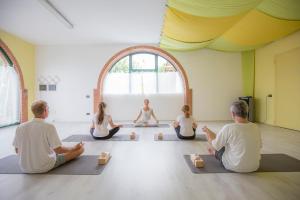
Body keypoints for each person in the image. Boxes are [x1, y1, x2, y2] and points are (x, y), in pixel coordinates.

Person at [12, 100, 84, 173]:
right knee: (80, 150)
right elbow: (58, 150)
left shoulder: (20, 127)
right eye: (48, 109)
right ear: (45, 110)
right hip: (44, 166)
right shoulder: (49, 127)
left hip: (25, 167)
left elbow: (17, 150)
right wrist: (73, 148)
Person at [202, 100, 262, 173]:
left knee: (219, 147)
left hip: (233, 166)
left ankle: (214, 153)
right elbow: (260, 146)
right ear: (247, 112)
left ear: (233, 114)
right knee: (226, 141)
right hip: (254, 166)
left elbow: (215, 146)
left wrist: (207, 133)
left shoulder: (228, 128)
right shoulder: (255, 127)